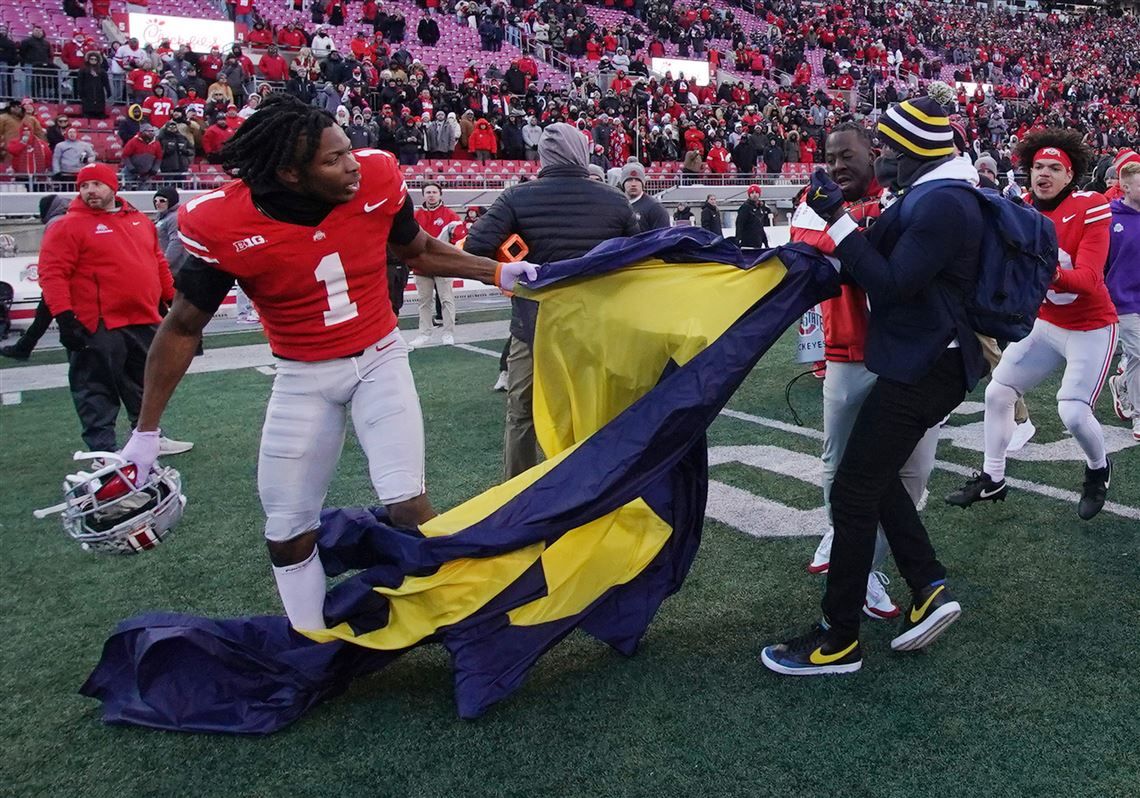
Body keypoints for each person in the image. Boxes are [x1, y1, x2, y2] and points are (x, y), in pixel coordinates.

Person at [116, 95, 538, 632]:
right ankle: (311, 640)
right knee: (287, 527)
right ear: (290, 173)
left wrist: (496, 273)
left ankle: (467, 613)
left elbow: (418, 251)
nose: (353, 164)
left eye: (348, 150)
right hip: (301, 375)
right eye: (334, 159)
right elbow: (182, 326)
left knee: (406, 502)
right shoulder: (222, 221)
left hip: (380, 358)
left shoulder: (379, 177)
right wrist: (146, 431)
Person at [762, 98, 988, 675]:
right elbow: (865, 253)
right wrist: (835, 221)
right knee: (870, 476)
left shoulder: (943, 203)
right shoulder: (933, 195)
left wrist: (836, 220)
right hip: (920, 362)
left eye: (889, 148)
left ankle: (837, 640)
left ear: (913, 150)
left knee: (854, 491)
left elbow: (889, 285)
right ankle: (928, 585)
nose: (882, 157)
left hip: (926, 365)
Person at [791, 121, 941, 619]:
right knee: (839, 461)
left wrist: (858, 226)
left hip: (912, 360)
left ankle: (865, 561)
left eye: (846, 156)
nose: (836, 166)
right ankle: (857, 561)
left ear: (873, 154)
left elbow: (887, 248)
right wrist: (865, 226)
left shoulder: (907, 194)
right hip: (849, 351)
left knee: (914, 472)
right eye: (829, 158)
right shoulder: (820, 202)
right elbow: (814, 240)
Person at [947, 130, 1116, 520]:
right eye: (1038, 166)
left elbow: (1090, 279)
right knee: (998, 392)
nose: (1044, 173)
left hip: (1090, 325)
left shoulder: (1089, 206)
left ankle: (1097, 469)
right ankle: (993, 476)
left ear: (1070, 175)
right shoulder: (1020, 207)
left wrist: (1043, 272)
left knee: (1073, 411)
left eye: (1055, 167)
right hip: (1045, 323)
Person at [464, 122, 638, 479]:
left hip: (533, 324)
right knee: (595, 409)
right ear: (582, 152)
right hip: (595, 325)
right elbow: (638, 261)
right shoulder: (615, 200)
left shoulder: (517, 197)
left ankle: (517, 494)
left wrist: (513, 259)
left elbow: (475, 246)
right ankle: (594, 486)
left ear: (542, 156)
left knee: (521, 413)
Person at [36, 164, 193, 456]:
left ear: (113, 187)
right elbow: (52, 273)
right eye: (84, 186)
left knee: (146, 385)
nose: (90, 191)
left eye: (97, 184)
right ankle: (103, 451)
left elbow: (157, 262)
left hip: (143, 316)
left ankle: (148, 438)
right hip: (97, 322)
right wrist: (64, 317)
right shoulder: (66, 225)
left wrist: (174, 300)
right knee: (95, 390)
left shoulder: (138, 220)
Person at [0, 194, 68, 361]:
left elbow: (53, 255)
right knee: (45, 313)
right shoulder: (66, 220)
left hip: (64, 278)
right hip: (67, 276)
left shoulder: (57, 224)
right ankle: (25, 346)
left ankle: (25, 346)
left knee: (56, 315)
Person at [1106, 161, 1140, 441]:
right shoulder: (1109, 218)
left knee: (1136, 357)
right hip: (1123, 299)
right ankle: (1139, 416)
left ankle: (1121, 385)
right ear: (1126, 187)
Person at [410, 183, 460, 347]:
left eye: (434, 192)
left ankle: (448, 333)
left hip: (443, 264)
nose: (431, 195)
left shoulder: (450, 215)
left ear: (440, 194)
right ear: (423, 195)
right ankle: (424, 333)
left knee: (446, 299)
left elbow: (458, 239)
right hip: (421, 264)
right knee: (424, 301)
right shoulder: (415, 216)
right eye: (428, 192)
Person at [622, 161, 669, 233]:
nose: (633, 184)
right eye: (629, 180)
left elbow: (662, 237)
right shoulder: (617, 205)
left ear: (643, 183)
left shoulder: (655, 208)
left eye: (637, 180)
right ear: (623, 183)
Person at [152, 187, 188, 276]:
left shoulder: (174, 218)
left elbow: (176, 242)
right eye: (155, 201)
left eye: (162, 201)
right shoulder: (161, 216)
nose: (158, 203)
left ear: (171, 201)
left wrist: (163, 265)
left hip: (174, 270)